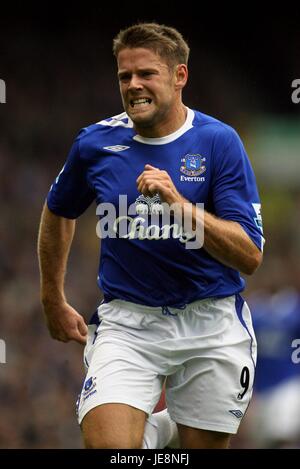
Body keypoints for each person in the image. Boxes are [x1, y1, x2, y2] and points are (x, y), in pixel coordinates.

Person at [38, 22, 264, 449]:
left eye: (146, 74)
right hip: (129, 324)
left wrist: (179, 204)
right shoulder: (95, 144)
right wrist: (52, 296)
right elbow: (58, 210)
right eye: (125, 76)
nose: (133, 86)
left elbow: (249, 255)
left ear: (180, 76)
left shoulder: (219, 143)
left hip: (210, 322)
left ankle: (157, 430)